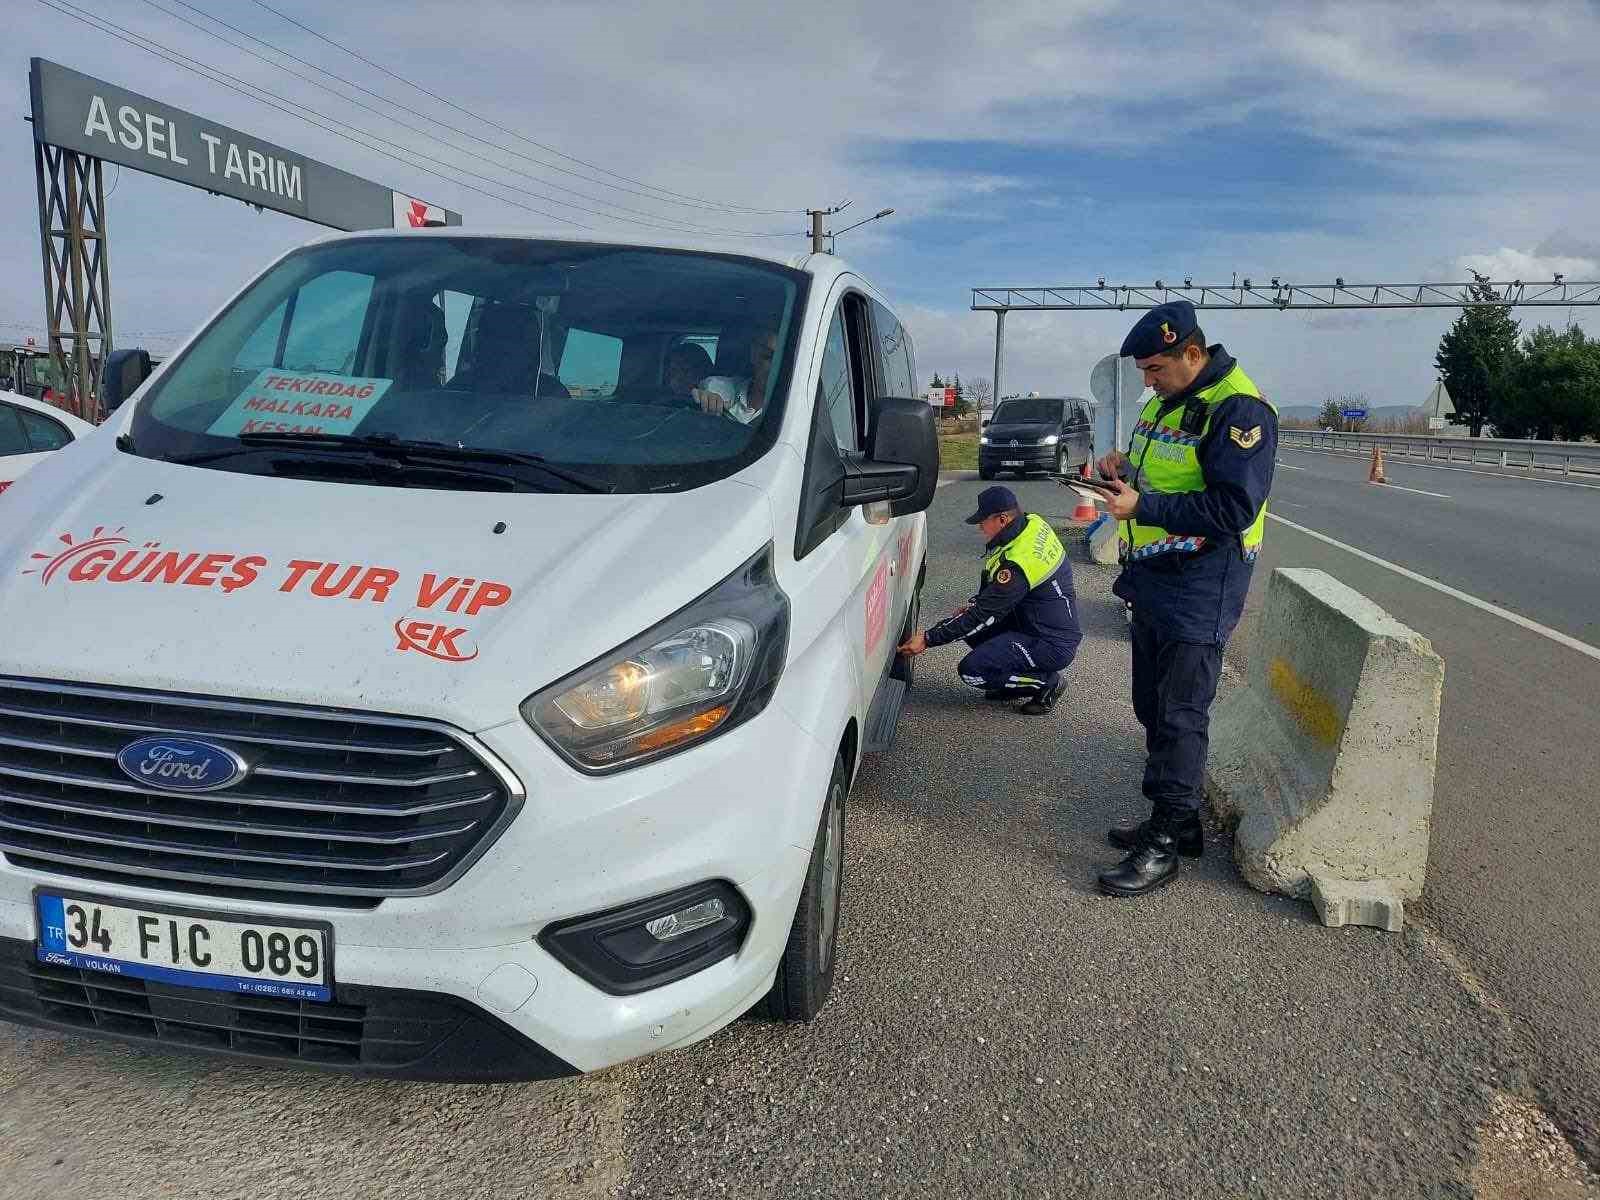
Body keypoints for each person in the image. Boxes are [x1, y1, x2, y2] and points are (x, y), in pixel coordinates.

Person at [1092, 300, 1277, 898]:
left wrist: (1142, 506)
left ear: (1191, 354)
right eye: (1144, 371)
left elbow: (1232, 508)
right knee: (1151, 701)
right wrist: (1124, 468)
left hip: (1203, 578)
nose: (1146, 381)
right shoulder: (1171, 399)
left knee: (1180, 711)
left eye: (1155, 369)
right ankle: (1181, 820)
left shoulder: (1238, 409)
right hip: (1156, 573)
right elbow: (1168, 470)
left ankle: (1167, 841)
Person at [897, 485, 1081, 715]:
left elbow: (983, 614)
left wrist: (927, 639)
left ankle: (1047, 683)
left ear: (1003, 519)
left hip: (1049, 643)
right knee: (972, 624)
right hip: (1038, 623)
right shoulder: (1032, 523)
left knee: (972, 671)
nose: (980, 528)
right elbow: (992, 599)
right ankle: (1006, 680)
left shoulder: (1020, 563)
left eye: (984, 521)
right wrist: (978, 604)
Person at [693, 326, 777, 424]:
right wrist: (703, 401)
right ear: (754, 354)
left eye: (786, 362)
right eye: (768, 357)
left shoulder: (795, 414)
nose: (776, 367)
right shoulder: (717, 388)